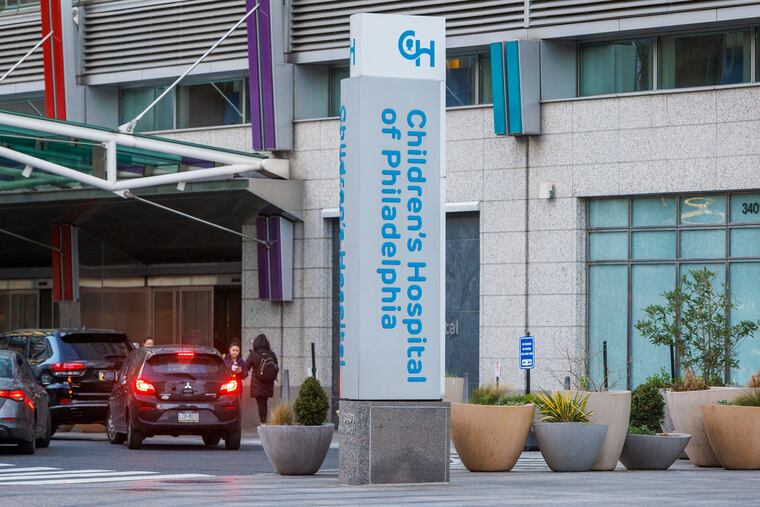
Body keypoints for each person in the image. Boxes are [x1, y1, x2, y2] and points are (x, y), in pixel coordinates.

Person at [244, 334, 279, 425]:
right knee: (264, 403)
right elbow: (276, 368)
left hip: (258, 384)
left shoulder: (253, 354)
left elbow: (245, 367)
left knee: (261, 403)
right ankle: (263, 422)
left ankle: (263, 423)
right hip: (268, 383)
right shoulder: (272, 354)